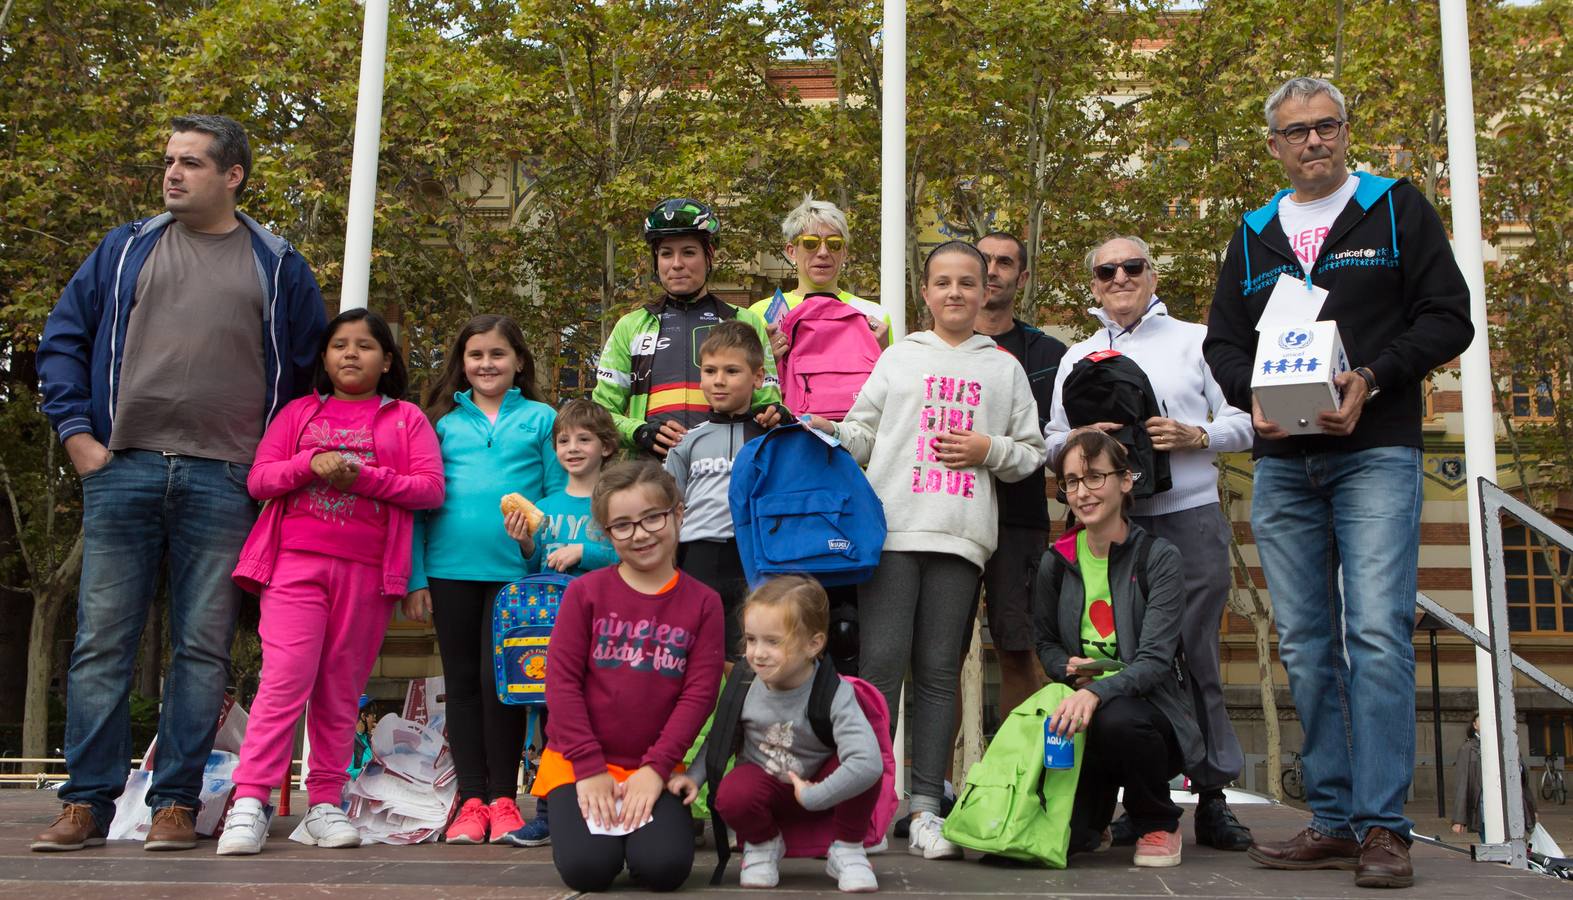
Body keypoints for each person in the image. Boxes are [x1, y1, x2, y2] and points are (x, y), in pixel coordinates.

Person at [1203, 77, 1474, 889]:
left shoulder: (1395, 207)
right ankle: (1330, 818)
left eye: (1327, 127)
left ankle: (1385, 830)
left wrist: (1374, 376)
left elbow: (1448, 315)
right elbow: (1220, 345)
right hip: (1283, 465)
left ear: (1345, 132)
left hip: (1376, 452)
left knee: (1377, 635)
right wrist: (1248, 396)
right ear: (1274, 146)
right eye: (1297, 132)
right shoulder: (1252, 233)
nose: (1313, 142)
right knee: (1306, 645)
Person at [33, 115, 327, 853]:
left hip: (227, 479)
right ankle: (86, 805)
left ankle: (175, 802)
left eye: (191, 163)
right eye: (168, 161)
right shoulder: (124, 249)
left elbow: (310, 377)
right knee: (102, 642)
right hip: (121, 466)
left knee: (202, 648)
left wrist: (270, 467)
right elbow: (62, 338)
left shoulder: (278, 263)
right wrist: (78, 439)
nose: (172, 174)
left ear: (232, 176)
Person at [808, 241, 1046, 860]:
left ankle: (926, 808)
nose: (956, 294)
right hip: (891, 534)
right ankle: (870, 800)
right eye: (943, 283)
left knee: (939, 672)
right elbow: (861, 434)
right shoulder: (898, 358)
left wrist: (986, 449)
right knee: (881, 666)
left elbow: (1031, 454)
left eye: (968, 283)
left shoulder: (1005, 368)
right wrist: (827, 430)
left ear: (985, 289)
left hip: (962, 538)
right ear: (925, 291)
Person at [1045, 234, 1255, 850]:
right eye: (1105, 271)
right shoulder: (1075, 356)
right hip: (1108, 528)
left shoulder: (1196, 339)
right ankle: (1135, 800)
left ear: (1152, 273)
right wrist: (1082, 437)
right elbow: (1050, 442)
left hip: (1186, 513)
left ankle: (1214, 796)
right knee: (1110, 654)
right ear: (1093, 284)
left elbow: (1246, 422)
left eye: (1131, 267)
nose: (1119, 278)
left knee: (1195, 655)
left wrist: (1196, 434)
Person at [216, 308, 445, 855]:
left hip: (367, 573)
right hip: (295, 564)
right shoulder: (298, 413)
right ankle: (250, 800)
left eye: (365, 345)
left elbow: (429, 488)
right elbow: (260, 479)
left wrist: (362, 476)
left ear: (387, 359)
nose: (350, 354)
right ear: (323, 357)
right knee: (285, 678)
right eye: (339, 344)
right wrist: (310, 465)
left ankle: (325, 801)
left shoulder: (407, 419)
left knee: (341, 691)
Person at [402, 314, 566, 845]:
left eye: (498, 354)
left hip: (517, 577)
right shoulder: (440, 422)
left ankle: (504, 798)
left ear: (519, 360)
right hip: (449, 572)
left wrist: (535, 548)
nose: (486, 364)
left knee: (508, 688)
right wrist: (416, 577)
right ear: (461, 362)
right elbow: (419, 508)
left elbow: (557, 497)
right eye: (476, 355)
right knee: (463, 685)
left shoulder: (542, 419)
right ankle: (471, 798)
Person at [531, 460, 725, 892]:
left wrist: (656, 770)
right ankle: (597, 836)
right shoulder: (586, 592)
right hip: (578, 762)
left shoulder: (704, 602)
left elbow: (698, 697)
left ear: (678, 514)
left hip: (653, 767)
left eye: (652, 517)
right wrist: (588, 767)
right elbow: (560, 685)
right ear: (605, 533)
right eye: (622, 525)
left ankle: (640, 840)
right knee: (588, 870)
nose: (639, 534)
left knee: (664, 868)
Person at [1034, 429, 1202, 868]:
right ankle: (1096, 822)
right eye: (1071, 481)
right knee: (1069, 843)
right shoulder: (1057, 560)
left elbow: (1154, 661)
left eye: (1094, 477)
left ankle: (1158, 822)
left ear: (1126, 481)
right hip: (1080, 714)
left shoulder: (1158, 557)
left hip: (1150, 716)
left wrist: (1097, 691)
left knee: (1118, 719)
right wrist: (1067, 670)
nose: (1082, 492)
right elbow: (1046, 642)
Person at [674, 576, 883, 892]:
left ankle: (847, 847)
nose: (757, 653)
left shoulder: (833, 692)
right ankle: (764, 843)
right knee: (731, 793)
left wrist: (816, 794)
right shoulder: (744, 685)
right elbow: (721, 740)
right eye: (751, 639)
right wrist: (694, 777)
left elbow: (868, 763)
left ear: (814, 644)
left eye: (773, 641)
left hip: (823, 788)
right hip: (767, 786)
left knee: (864, 765)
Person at [505, 398, 622, 848]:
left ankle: (605, 805)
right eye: (563, 440)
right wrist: (524, 545)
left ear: (607, 446)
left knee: (606, 716)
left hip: (607, 630)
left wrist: (584, 553)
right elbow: (532, 570)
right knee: (553, 719)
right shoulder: (545, 506)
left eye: (584, 439)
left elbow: (631, 554)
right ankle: (549, 812)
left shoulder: (614, 502)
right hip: (553, 634)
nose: (572, 448)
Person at [593, 198, 780, 458]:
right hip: (653, 475)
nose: (677, 263)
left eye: (689, 252)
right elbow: (600, 414)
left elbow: (768, 402)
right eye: (666, 253)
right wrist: (639, 432)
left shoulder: (745, 322)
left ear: (709, 256)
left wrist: (776, 412)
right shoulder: (630, 326)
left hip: (726, 469)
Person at [971, 231, 1066, 717]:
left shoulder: (1050, 354)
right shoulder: (930, 348)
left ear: (1021, 277)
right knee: (935, 658)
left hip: (1020, 520)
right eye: (983, 260)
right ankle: (934, 791)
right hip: (949, 515)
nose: (991, 270)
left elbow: (1061, 437)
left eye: (1004, 262)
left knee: (1019, 650)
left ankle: (1017, 781)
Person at [664, 321, 780, 664]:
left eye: (732, 371)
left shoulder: (771, 438)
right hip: (696, 556)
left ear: (757, 377)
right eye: (710, 370)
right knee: (696, 656)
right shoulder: (687, 442)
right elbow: (670, 509)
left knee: (746, 657)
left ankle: (741, 719)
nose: (719, 380)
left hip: (752, 559)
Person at [749, 195, 889, 357]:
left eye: (834, 244)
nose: (823, 252)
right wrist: (767, 362)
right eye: (810, 243)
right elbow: (741, 380)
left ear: (844, 252)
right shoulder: (759, 315)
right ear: (791, 251)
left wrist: (884, 353)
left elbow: (890, 381)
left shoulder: (875, 317)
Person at [1450, 712, 1536, 843]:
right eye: (1481, 720)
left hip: (1509, 805)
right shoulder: (1468, 749)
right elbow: (1462, 784)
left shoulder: (1507, 744)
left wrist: (1532, 809)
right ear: (1474, 725)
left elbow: (1522, 782)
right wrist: (1458, 819)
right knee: (1491, 843)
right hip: (1484, 806)